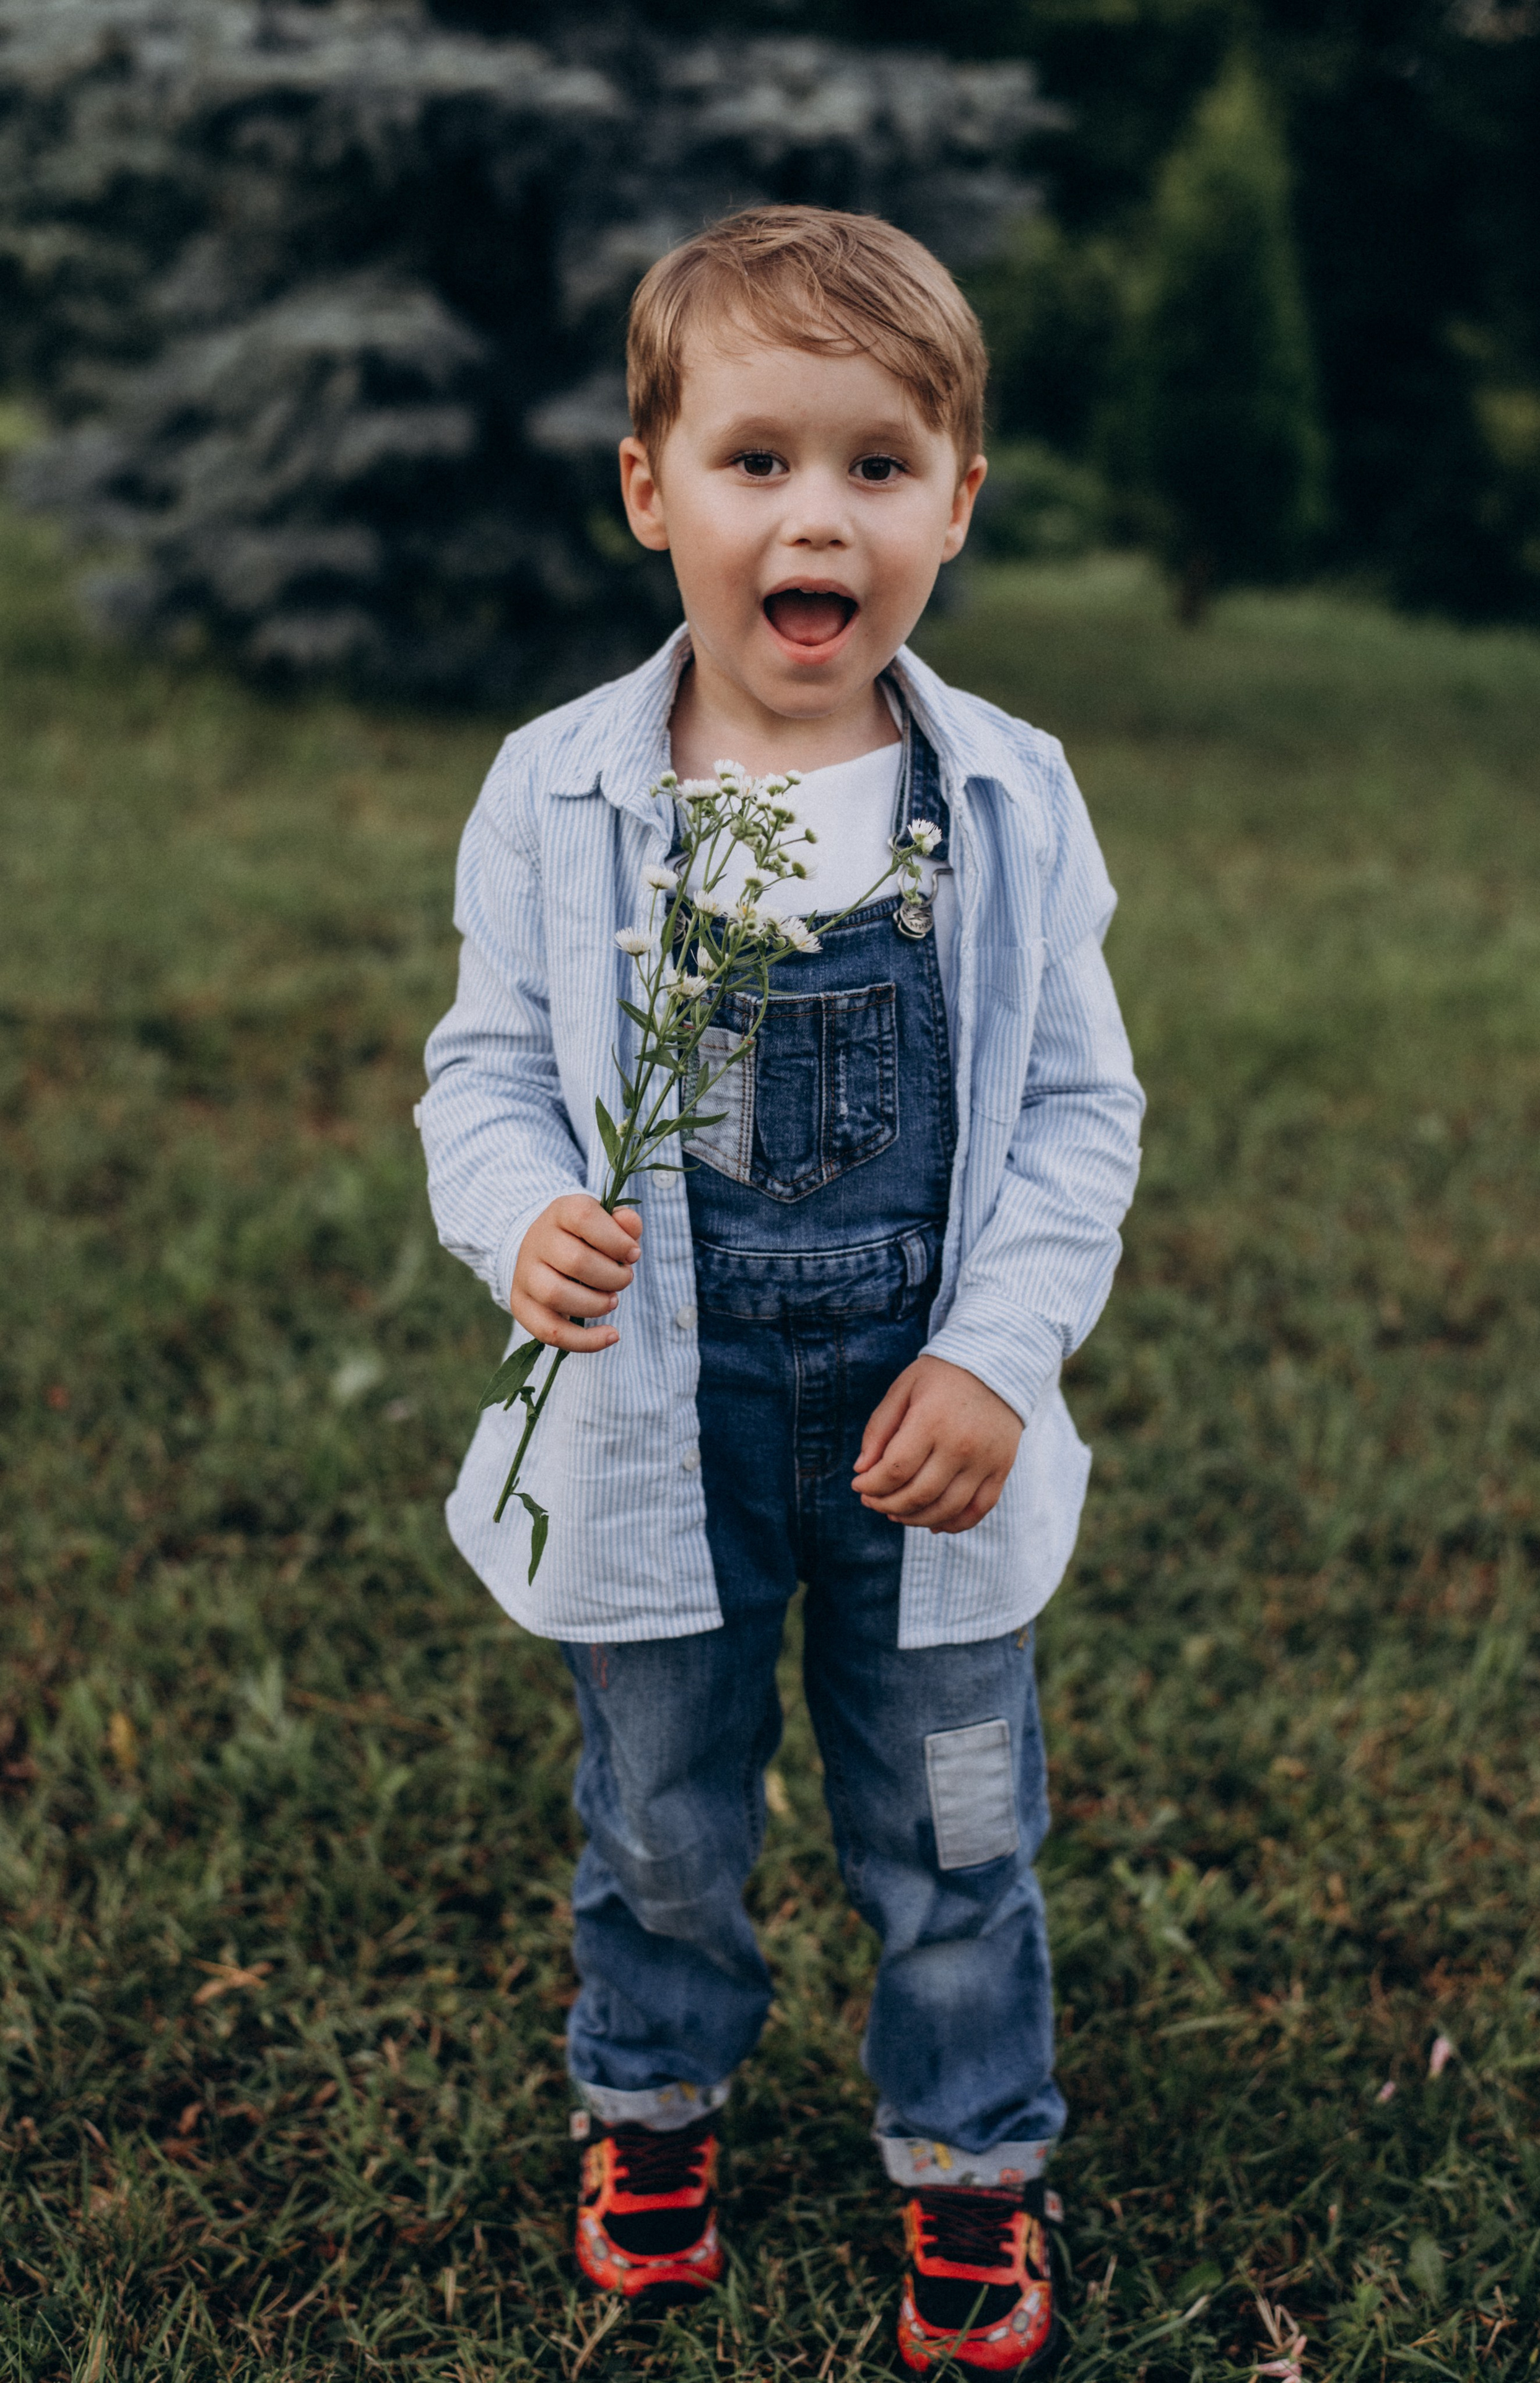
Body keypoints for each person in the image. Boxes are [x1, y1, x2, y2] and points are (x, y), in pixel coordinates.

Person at [419, 204, 1144, 2376]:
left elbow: (1075, 1117)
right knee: (659, 1817)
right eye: (754, 461)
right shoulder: (560, 789)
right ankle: (649, 2106)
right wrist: (522, 1213)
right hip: (663, 1408)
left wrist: (999, 1353)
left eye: (875, 465)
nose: (813, 515)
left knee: (954, 1822)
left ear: (957, 505)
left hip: (922, 1421)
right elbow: (491, 1070)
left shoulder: (1004, 797)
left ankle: (972, 2155)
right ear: (650, 490)